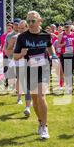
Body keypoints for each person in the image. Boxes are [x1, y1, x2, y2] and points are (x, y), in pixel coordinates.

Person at [14, 11, 58, 140]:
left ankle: (45, 126)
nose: (30, 24)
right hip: (30, 69)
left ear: (40, 21)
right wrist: (22, 53)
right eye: (28, 21)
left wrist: (53, 56)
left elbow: (50, 47)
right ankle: (40, 121)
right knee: (35, 100)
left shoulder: (46, 35)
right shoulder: (22, 37)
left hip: (44, 68)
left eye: (33, 21)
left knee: (41, 96)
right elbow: (15, 56)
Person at [6, 20, 33, 115]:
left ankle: (27, 106)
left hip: (30, 63)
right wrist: (14, 55)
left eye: (23, 28)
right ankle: (22, 99)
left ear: (27, 27)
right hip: (19, 63)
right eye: (19, 28)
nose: (21, 30)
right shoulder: (14, 38)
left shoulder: (31, 37)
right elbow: (8, 50)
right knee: (23, 82)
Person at [60, 22, 74, 93]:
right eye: (66, 27)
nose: (67, 28)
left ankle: (70, 87)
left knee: (70, 72)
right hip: (64, 55)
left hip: (72, 54)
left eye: (68, 27)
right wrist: (63, 44)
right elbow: (58, 44)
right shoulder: (61, 34)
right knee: (66, 72)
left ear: (71, 27)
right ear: (64, 27)